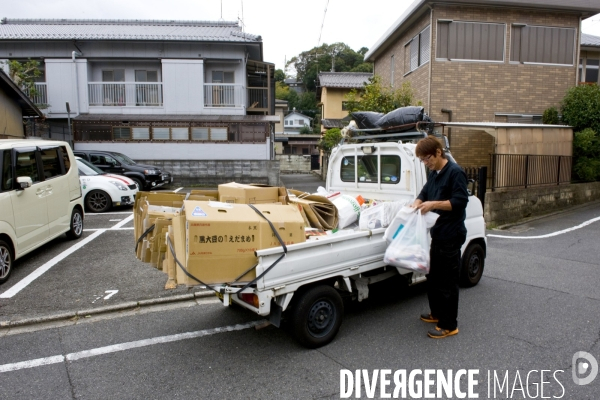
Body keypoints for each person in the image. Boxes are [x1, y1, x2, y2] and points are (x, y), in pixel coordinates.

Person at [411, 136, 468, 339]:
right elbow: (425, 193)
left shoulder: (455, 172)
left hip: (451, 234)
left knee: (448, 281)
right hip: (438, 233)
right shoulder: (434, 173)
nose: (426, 163)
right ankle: (436, 314)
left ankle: (449, 324)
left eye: (427, 159)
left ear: (438, 152)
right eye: (422, 161)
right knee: (433, 277)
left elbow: (460, 202)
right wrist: (417, 202)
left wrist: (433, 204)